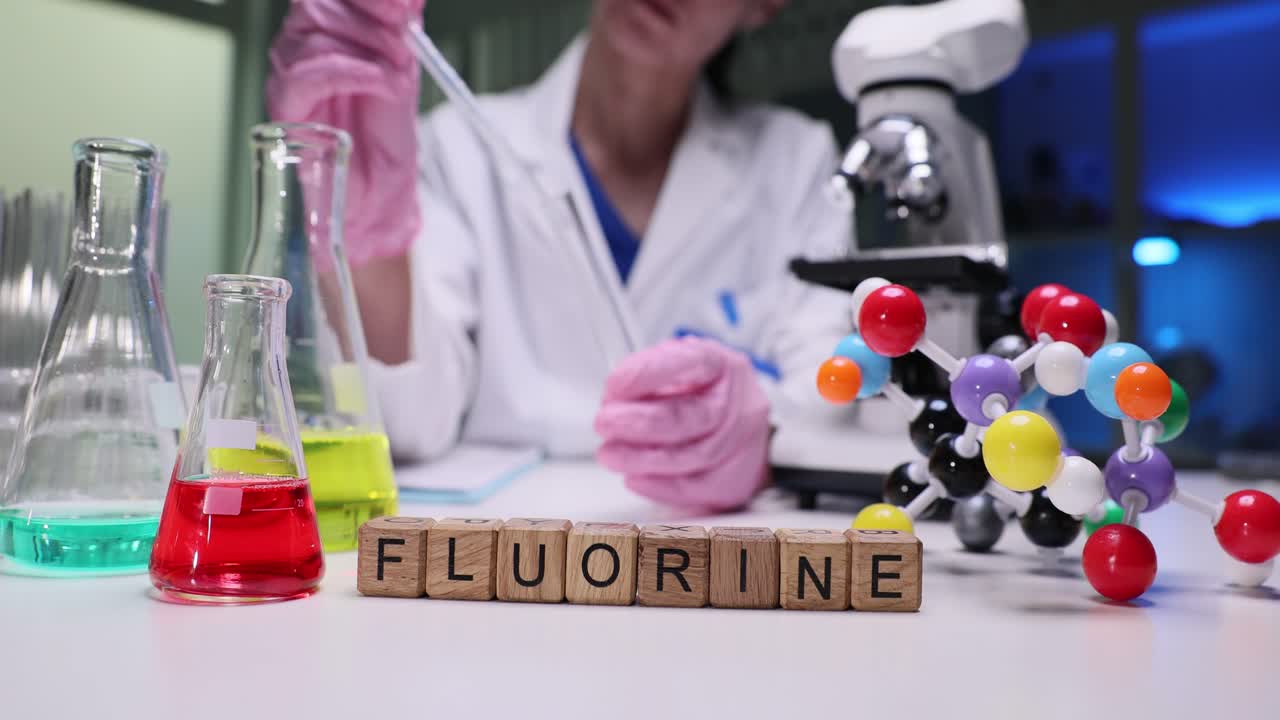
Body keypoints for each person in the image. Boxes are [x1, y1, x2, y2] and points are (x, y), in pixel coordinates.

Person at [268, 0, 851, 512]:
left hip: (706, 558)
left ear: (766, 5)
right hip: (499, 563)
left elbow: (831, 403)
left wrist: (762, 435)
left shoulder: (796, 163)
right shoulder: (458, 148)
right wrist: (367, 235)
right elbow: (409, 422)